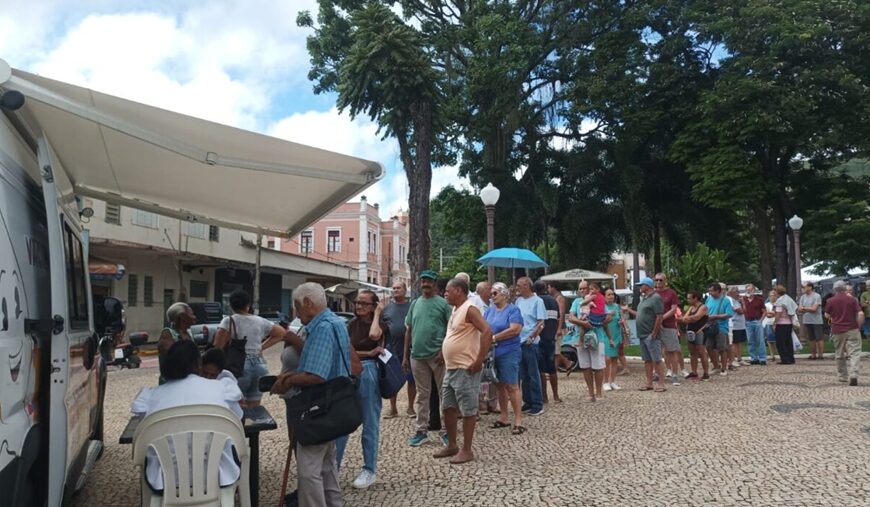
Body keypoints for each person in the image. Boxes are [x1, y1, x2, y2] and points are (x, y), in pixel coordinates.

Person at [269, 283, 352, 507]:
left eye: (297, 306)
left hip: (318, 409)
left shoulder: (323, 327)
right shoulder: (336, 322)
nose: (296, 312)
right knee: (327, 466)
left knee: (309, 471)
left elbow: (316, 376)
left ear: (307, 302)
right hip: (333, 407)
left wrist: (286, 380)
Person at [132, 340, 244, 493]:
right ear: (198, 363)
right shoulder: (221, 389)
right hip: (217, 473)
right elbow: (236, 421)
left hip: (164, 478)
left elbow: (144, 438)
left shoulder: (150, 397)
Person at [434, 279, 492, 464]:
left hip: (465, 368)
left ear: (459, 291)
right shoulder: (455, 309)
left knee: (468, 410)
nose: (445, 293)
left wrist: (479, 359)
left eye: (448, 290)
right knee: (448, 407)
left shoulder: (470, 309)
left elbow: (487, 332)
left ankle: (467, 450)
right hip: (451, 368)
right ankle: (452, 444)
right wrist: (443, 354)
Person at [335, 290, 389, 489]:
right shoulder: (350, 325)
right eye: (357, 302)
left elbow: (375, 335)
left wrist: (377, 314)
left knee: (370, 422)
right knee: (341, 422)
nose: (359, 306)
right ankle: (334, 466)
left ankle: (369, 469)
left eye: (365, 303)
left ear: (374, 306)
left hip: (368, 372)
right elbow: (344, 349)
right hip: (349, 371)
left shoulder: (380, 325)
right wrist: (367, 351)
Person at [403, 270, 452, 447]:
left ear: (435, 283)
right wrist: (405, 355)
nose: (425, 284)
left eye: (429, 281)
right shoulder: (414, 303)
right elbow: (409, 330)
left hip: (437, 356)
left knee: (444, 393)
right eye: (423, 281)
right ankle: (421, 430)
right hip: (417, 355)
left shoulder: (444, 304)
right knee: (422, 395)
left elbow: (450, 329)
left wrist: (442, 350)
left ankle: (448, 431)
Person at [214, 290, 287, 406]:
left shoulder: (228, 321)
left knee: (236, 406)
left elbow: (217, 348)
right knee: (254, 408)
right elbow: (282, 333)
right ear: (248, 306)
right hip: (259, 366)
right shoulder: (260, 321)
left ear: (231, 306)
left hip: (238, 366)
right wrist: (262, 347)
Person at [484, 282, 525, 434]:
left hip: (509, 351)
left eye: (495, 293)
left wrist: (494, 338)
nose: (492, 296)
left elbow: (515, 329)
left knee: (512, 385)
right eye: (491, 293)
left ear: (504, 294)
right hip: (493, 353)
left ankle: (518, 420)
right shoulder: (489, 311)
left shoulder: (513, 310)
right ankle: (504, 417)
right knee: (499, 385)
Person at [625, 277, 666, 392]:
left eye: (641, 285)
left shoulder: (656, 298)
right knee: (647, 360)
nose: (639, 287)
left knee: (656, 359)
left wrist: (654, 332)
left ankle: (661, 383)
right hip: (642, 334)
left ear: (647, 286)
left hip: (650, 334)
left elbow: (659, 316)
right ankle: (649, 383)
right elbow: (640, 314)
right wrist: (628, 310)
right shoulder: (644, 299)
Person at [382, 281, 414, 419]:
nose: (395, 290)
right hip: (392, 349)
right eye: (394, 288)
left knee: (412, 380)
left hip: (411, 349)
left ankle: (411, 407)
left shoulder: (411, 306)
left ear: (405, 290)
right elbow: (381, 329)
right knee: (392, 378)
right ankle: (393, 408)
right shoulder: (386, 309)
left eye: (398, 288)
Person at [514, 277, 546, 416]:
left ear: (527, 286)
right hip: (518, 340)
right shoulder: (519, 301)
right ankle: (527, 400)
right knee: (523, 374)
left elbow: (541, 322)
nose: (517, 288)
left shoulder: (538, 301)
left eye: (519, 286)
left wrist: (532, 336)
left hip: (530, 342)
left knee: (533, 374)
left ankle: (537, 403)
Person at [824, 280, 865, 386]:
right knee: (855, 352)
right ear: (844, 288)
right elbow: (860, 314)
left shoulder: (830, 301)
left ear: (834, 289)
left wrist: (833, 317)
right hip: (852, 328)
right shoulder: (852, 300)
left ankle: (842, 376)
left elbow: (827, 315)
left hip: (837, 329)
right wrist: (859, 326)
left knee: (839, 353)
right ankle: (854, 374)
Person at [534, 280, 562, 403]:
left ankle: (544, 397)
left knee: (541, 370)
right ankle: (556, 395)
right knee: (552, 369)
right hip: (551, 337)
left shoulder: (536, 302)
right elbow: (558, 318)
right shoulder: (553, 301)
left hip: (539, 338)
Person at [654, 273, 684, 383]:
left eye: (660, 280)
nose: (658, 282)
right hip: (655, 325)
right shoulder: (653, 293)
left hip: (669, 325)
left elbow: (673, 309)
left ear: (665, 281)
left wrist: (661, 318)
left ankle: (675, 374)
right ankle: (657, 373)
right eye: (656, 280)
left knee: (672, 351)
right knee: (656, 350)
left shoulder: (671, 293)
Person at [157, 302, 196, 384]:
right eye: (191, 314)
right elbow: (173, 360)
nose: (194, 317)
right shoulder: (167, 334)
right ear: (182, 316)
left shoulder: (189, 333)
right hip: (171, 383)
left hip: (188, 382)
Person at [704, 283, 734, 375]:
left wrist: (715, 316)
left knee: (722, 348)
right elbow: (705, 309)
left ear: (718, 291)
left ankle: (724, 368)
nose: (710, 293)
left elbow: (729, 314)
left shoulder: (725, 301)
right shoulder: (708, 299)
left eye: (712, 291)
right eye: (709, 291)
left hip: (721, 326)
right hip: (709, 326)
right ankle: (716, 366)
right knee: (709, 346)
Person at [679, 290, 710, 380]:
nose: (687, 300)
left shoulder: (703, 307)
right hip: (691, 331)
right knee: (692, 352)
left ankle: (706, 373)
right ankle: (694, 371)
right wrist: (686, 319)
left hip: (700, 331)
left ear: (695, 298)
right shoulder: (691, 307)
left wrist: (686, 318)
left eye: (689, 298)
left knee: (702, 352)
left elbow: (696, 317)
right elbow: (685, 319)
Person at [603, 288, 629, 390]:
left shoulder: (617, 307)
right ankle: (605, 382)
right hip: (606, 335)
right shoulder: (602, 307)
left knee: (614, 359)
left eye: (612, 294)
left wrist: (623, 324)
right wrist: (610, 315)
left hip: (617, 335)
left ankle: (612, 381)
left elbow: (621, 318)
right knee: (607, 359)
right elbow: (602, 321)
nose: (611, 296)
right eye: (608, 294)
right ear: (604, 296)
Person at [547, 282, 574, 372]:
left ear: (553, 287)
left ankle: (553, 370)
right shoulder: (554, 298)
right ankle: (567, 363)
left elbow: (561, 313)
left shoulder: (559, 298)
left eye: (549, 287)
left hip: (559, 327)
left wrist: (559, 328)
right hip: (554, 327)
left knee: (556, 351)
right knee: (554, 349)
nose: (548, 289)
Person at [798, 282, 825, 360]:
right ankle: (813, 354)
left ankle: (821, 354)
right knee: (811, 338)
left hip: (816, 320)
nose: (803, 289)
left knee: (819, 338)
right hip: (807, 320)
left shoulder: (817, 296)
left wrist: (804, 308)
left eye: (804, 287)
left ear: (810, 287)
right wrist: (807, 308)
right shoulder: (802, 297)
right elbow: (800, 309)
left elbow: (814, 309)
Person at [772, 285, 798, 365]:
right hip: (789, 323)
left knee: (781, 342)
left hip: (781, 323)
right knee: (788, 341)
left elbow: (779, 313)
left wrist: (775, 322)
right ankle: (791, 358)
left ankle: (784, 359)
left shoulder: (780, 301)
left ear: (777, 292)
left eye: (775, 291)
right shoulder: (788, 298)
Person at [743, 284, 767, 365]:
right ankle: (753, 358)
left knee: (760, 340)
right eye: (748, 290)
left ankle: (762, 358)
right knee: (750, 340)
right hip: (748, 321)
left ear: (754, 290)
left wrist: (760, 321)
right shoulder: (744, 299)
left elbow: (764, 311)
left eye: (750, 290)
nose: (749, 291)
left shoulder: (759, 299)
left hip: (756, 321)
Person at [727, 286, 748, 368]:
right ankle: (733, 359)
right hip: (735, 324)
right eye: (736, 291)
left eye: (738, 291)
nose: (738, 293)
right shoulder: (731, 301)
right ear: (731, 292)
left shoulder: (736, 301)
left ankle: (740, 358)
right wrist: (743, 302)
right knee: (734, 342)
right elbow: (741, 311)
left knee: (739, 342)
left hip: (741, 324)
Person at [764, 290, 779, 362]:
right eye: (770, 296)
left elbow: (777, 313)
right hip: (769, 323)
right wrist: (773, 313)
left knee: (777, 339)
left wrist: (770, 313)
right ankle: (772, 354)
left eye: (774, 295)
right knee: (769, 340)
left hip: (778, 323)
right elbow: (767, 314)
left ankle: (778, 352)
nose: (772, 297)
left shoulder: (778, 304)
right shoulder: (766, 305)